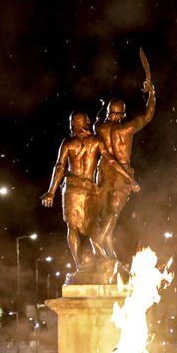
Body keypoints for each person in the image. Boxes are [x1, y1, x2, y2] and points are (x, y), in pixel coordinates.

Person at [93, 78, 155, 261]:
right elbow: (148, 115)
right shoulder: (127, 128)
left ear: (109, 113)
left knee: (104, 214)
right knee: (113, 213)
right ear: (122, 114)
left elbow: (97, 119)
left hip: (103, 172)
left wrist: (102, 107)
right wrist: (151, 94)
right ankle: (99, 241)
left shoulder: (100, 128)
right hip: (122, 174)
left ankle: (109, 253)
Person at [40, 111, 106, 276]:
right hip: (89, 187)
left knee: (73, 226)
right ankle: (104, 257)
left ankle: (80, 265)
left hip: (73, 187)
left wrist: (51, 192)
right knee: (92, 226)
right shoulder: (96, 141)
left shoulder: (69, 143)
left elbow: (60, 167)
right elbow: (109, 160)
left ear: (73, 125)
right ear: (87, 122)